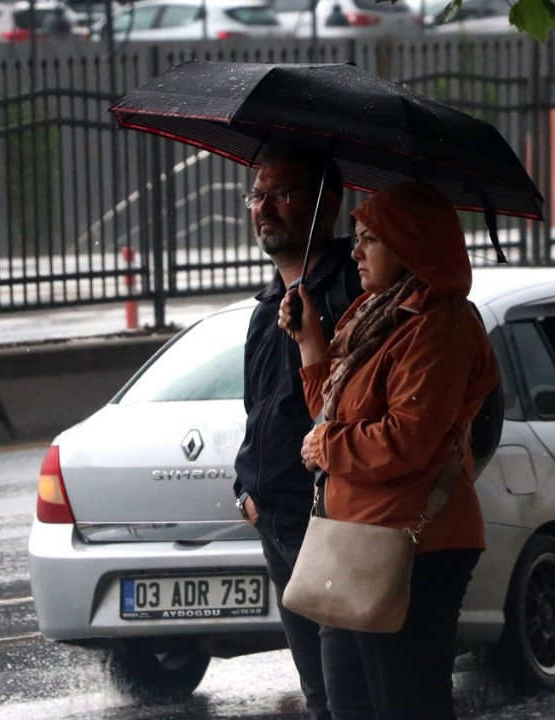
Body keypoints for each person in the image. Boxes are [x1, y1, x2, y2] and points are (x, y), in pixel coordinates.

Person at [278, 182, 498, 720]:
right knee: (348, 703)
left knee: (405, 704)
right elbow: (333, 412)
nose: (353, 252)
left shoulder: (437, 326)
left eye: (370, 239)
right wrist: (311, 344)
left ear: (411, 245)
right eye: (356, 238)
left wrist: (326, 445)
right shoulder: (377, 317)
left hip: (412, 545)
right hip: (357, 541)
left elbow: (406, 441)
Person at [232, 144, 364, 720]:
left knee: (347, 696)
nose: (265, 208)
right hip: (278, 526)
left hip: (331, 525)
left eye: (282, 194)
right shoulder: (265, 311)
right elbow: (258, 415)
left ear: (326, 205)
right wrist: (248, 493)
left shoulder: (351, 293)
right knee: (319, 697)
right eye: (257, 196)